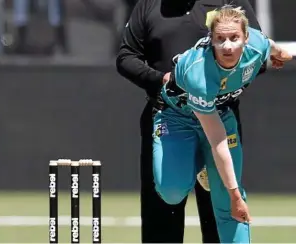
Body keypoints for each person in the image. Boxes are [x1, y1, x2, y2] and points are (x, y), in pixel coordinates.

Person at [116, 0, 265, 243]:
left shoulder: (230, 2)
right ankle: (191, 166)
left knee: (222, 210)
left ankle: (204, 167)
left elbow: (256, 51)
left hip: (219, 115)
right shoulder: (148, 5)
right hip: (167, 116)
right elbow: (126, 57)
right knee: (164, 208)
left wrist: (219, 80)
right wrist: (163, 79)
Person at [153, 5, 292, 243]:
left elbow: (268, 44)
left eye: (234, 38)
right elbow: (217, 140)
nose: (227, 46)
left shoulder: (256, 45)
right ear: (211, 39)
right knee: (172, 192)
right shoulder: (200, 75)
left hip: (220, 114)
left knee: (228, 207)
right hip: (177, 117)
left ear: (245, 38)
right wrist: (236, 194)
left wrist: (280, 54)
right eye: (220, 39)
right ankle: (200, 164)